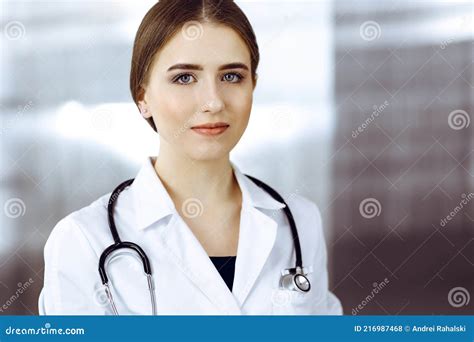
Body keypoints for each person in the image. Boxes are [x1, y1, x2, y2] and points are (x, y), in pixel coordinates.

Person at [39, 0, 343, 315]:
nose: (213, 102)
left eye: (231, 77)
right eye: (184, 78)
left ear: (253, 84)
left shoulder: (300, 222)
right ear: (142, 97)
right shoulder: (82, 240)